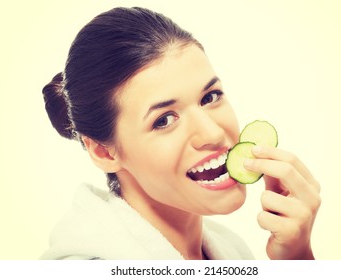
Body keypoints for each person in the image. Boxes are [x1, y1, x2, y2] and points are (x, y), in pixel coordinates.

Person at [41, 7, 321, 260]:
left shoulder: (232, 251)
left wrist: (296, 260)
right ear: (103, 152)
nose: (212, 133)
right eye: (164, 120)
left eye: (210, 97)